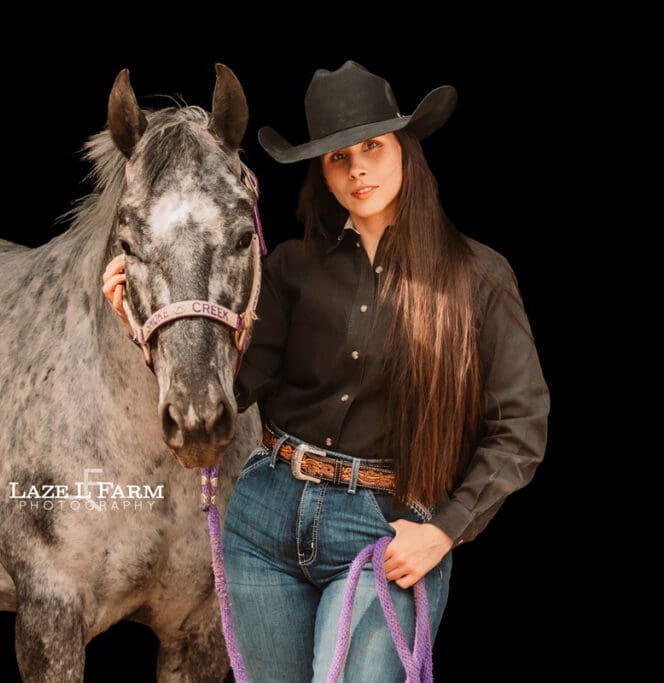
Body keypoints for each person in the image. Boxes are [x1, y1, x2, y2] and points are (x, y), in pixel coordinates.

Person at [102, 60, 549, 682]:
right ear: (323, 173)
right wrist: (142, 324)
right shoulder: (288, 267)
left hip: (384, 532)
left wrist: (444, 532)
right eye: (338, 157)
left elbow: (521, 426)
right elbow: (236, 387)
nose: (357, 168)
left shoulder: (479, 278)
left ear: (406, 152)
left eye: (372, 147)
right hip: (265, 519)